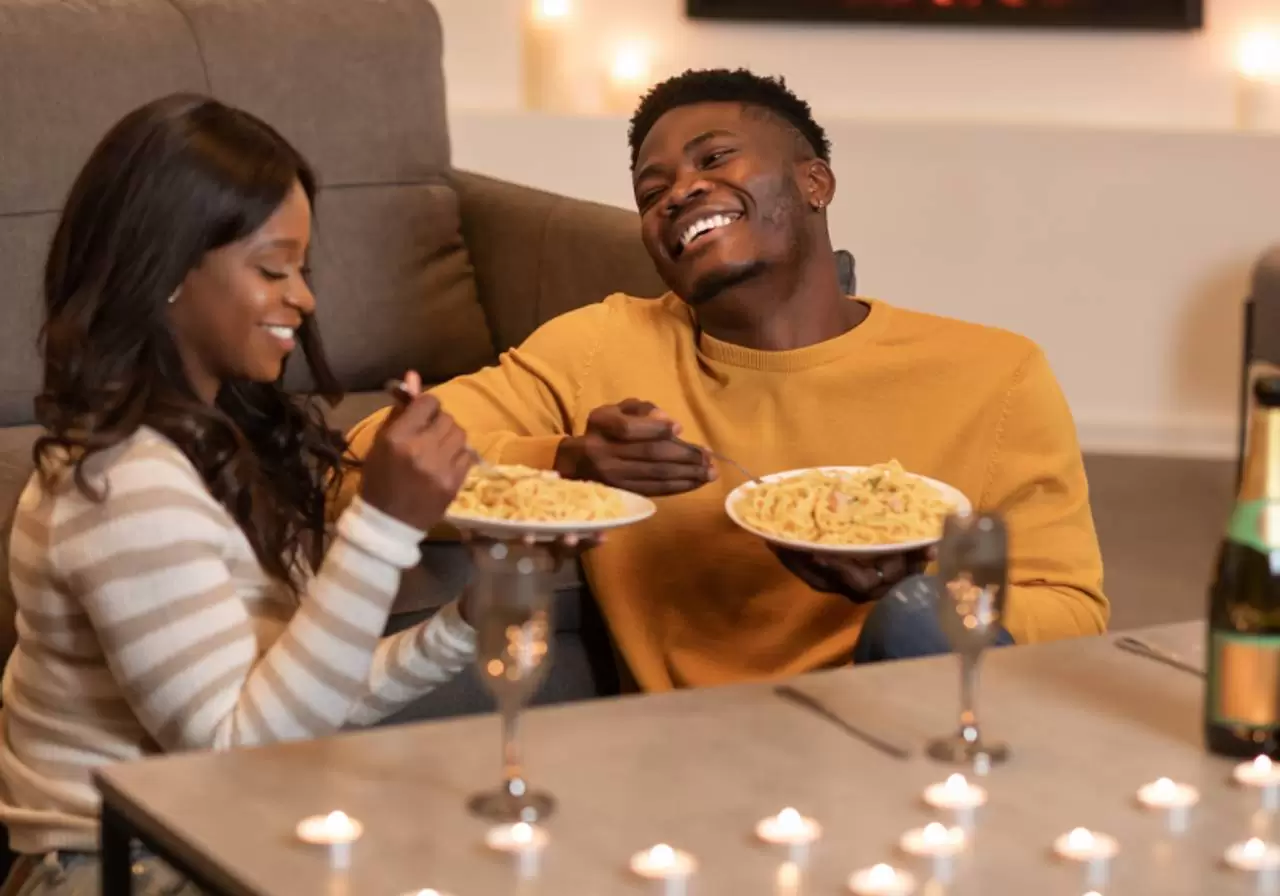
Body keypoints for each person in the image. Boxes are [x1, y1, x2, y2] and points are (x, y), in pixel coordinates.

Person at [343, 68, 1108, 692]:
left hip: (907, 730)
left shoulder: (993, 373)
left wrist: (914, 583)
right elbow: (363, 466)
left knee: (915, 619)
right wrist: (566, 470)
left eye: (714, 160)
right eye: (652, 191)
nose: (678, 191)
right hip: (694, 751)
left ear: (815, 183)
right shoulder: (601, 346)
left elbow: (1072, 613)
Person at [0, 95, 480, 896]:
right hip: (115, 868)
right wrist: (383, 527)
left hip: (216, 841)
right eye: (272, 269)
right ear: (165, 273)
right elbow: (237, 748)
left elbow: (294, 702)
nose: (306, 299)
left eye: (304, 269)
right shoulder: (122, 478)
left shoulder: (219, 440)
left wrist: (472, 622)